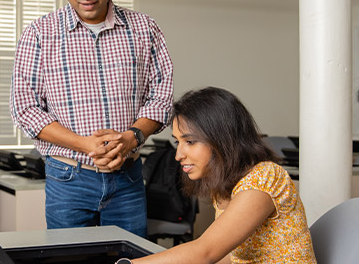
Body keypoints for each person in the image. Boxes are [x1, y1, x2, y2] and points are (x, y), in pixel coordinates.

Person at [10, 0, 173, 237]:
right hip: (67, 178)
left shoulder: (145, 29)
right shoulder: (39, 34)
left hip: (128, 178)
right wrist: (85, 144)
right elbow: (25, 108)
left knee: (131, 258)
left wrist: (131, 138)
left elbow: (161, 97)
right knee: (70, 260)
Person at [121, 87, 316, 263]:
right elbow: (231, 255)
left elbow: (205, 252)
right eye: (177, 142)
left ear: (222, 140)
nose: (179, 155)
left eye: (189, 142)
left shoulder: (265, 177)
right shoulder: (226, 184)